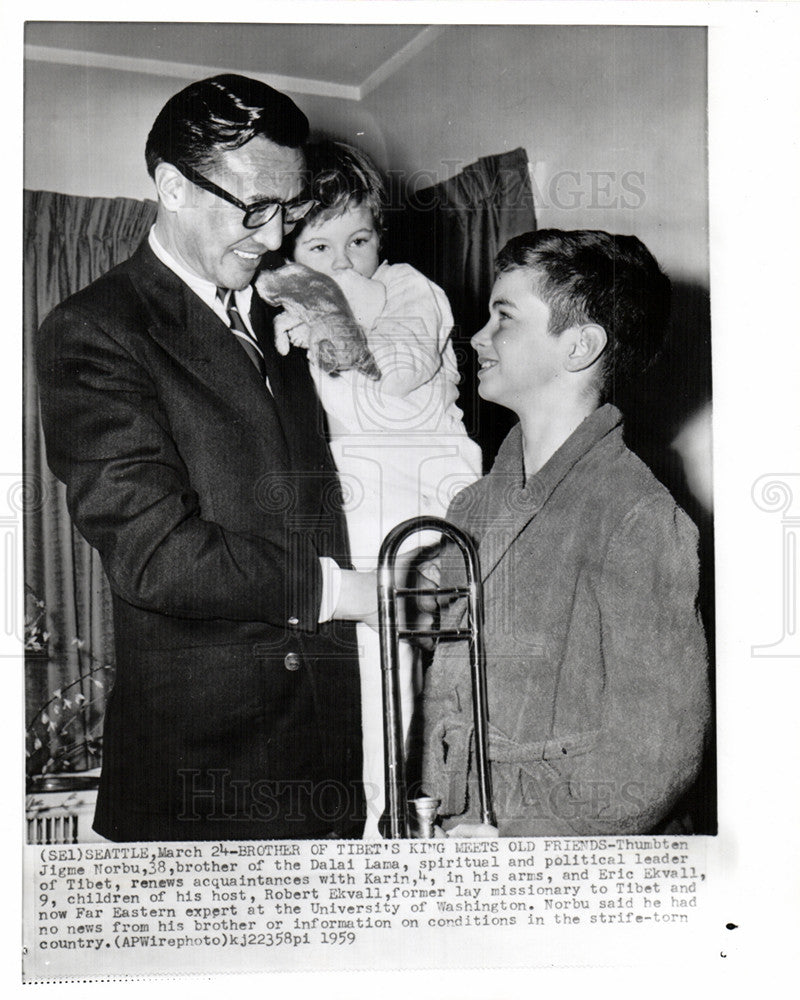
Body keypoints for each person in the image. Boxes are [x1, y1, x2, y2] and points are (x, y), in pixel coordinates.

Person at [35, 75, 380, 841]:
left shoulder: (286, 309)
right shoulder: (96, 329)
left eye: (287, 208)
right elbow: (155, 554)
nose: (275, 233)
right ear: (172, 187)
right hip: (205, 783)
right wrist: (339, 590)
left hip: (325, 766)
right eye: (254, 206)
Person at [421, 229, 711, 837]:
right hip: (462, 832)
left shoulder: (636, 515)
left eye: (504, 317)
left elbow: (656, 755)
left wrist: (519, 837)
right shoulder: (471, 506)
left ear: (578, 346)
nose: (477, 337)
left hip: (555, 849)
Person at [274, 140, 482, 836]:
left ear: (379, 236)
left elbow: (393, 372)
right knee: (370, 682)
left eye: (357, 239)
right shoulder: (312, 305)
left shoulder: (405, 287)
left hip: (426, 502)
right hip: (364, 513)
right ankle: (375, 819)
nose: (344, 262)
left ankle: (384, 819)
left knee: (396, 673)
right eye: (320, 249)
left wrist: (330, 301)